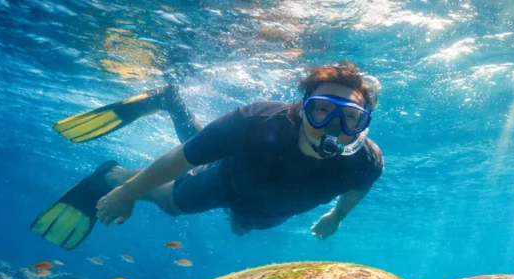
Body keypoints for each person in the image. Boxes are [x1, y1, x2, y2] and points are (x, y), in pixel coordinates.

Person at [29, 62, 383, 248]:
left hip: (266, 206)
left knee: (242, 224)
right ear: (303, 109)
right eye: (322, 111)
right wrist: (127, 192)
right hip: (227, 182)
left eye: (350, 118)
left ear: (363, 125)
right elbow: (184, 157)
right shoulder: (255, 123)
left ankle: (170, 101)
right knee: (173, 201)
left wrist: (337, 216)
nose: (334, 127)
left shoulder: (366, 162)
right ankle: (113, 174)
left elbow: (358, 189)